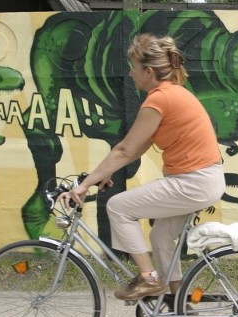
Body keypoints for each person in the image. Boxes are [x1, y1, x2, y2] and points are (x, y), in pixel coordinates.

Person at [61, 33, 225, 300]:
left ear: (148, 71)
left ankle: (149, 279)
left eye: (134, 67)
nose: (130, 73)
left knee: (118, 206)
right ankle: (180, 304)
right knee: (161, 237)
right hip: (203, 180)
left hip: (192, 182)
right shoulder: (173, 94)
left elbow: (124, 149)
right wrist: (105, 173)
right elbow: (140, 145)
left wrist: (84, 185)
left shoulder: (159, 99)